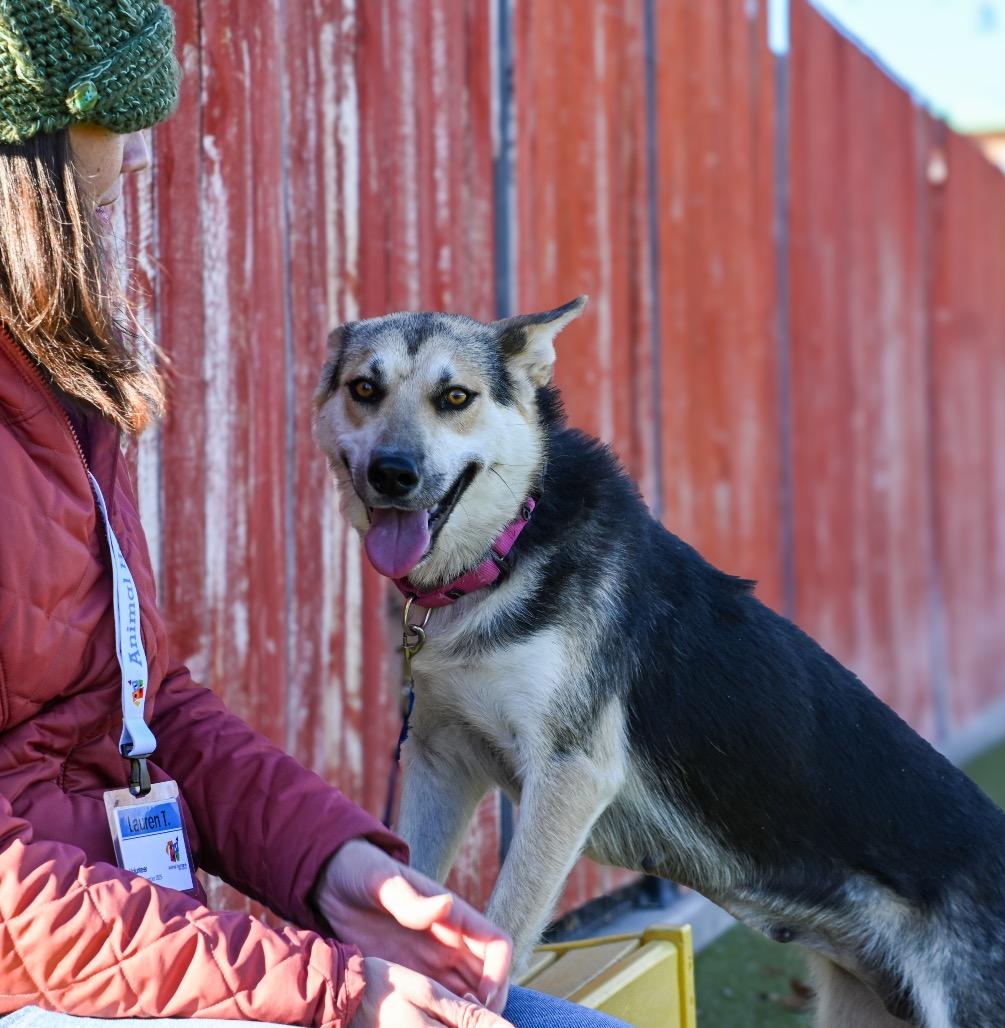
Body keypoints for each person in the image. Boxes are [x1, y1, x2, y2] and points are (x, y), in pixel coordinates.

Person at [0, 3, 629, 1027]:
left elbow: (142, 709)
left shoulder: (55, 386)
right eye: (114, 129)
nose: (128, 171)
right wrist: (337, 989)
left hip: (133, 952)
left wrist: (340, 867)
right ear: (34, 163)